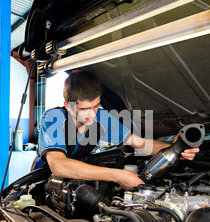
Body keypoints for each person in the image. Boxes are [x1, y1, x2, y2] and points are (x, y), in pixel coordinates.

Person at [32, 70, 199, 190]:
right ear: (68, 105)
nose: (92, 115)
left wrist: (177, 148)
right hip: (44, 182)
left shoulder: (102, 118)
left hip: (79, 180)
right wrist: (117, 175)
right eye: (84, 109)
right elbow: (58, 165)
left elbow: (140, 143)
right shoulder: (54, 118)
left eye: (96, 106)